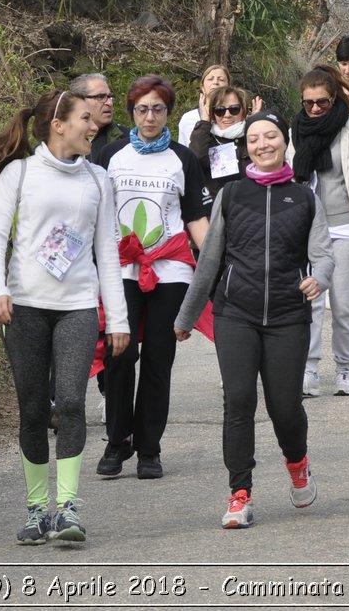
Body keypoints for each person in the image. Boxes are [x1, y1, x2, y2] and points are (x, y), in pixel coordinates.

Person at [0, 90, 131, 546]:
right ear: (59, 123)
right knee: (33, 409)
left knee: (70, 402)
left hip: (77, 308)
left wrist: (118, 319)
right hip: (26, 308)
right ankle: (36, 511)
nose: (95, 127)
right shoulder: (20, 173)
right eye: (86, 119)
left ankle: (67, 508)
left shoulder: (98, 180)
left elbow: (107, 254)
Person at [176, 111, 334, 529]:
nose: (263, 144)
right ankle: (239, 493)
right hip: (236, 312)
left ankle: (296, 461)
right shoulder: (232, 195)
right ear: (245, 148)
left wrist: (318, 279)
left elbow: (322, 253)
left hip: (287, 315)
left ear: (285, 142)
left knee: (285, 407)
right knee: (239, 401)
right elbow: (209, 257)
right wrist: (187, 316)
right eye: (254, 139)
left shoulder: (304, 197)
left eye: (271, 137)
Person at [92, 75, 211, 479]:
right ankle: (117, 439)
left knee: (160, 357)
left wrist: (217, 260)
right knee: (119, 355)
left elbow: (195, 215)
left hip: (170, 268)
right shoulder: (110, 156)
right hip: (121, 267)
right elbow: (93, 213)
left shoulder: (183, 159)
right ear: (131, 112)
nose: (149, 116)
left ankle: (149, 448)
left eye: (157, 108)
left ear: (168, 112)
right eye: (142, 109)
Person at [288, 70, 349, 398]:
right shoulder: (296, 129)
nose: (316, 109)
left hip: (346, 223)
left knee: (345, 302)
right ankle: (309, 368)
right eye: (309, 103)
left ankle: (345, 367)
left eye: (322, 102)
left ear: (334, 98)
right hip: (308, 229)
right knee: (310, 303)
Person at [188, 85, 251, 195]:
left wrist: (255, 124)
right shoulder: (205, 138)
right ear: (212, 113)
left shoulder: (252, 136)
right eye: (219, 110)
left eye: (234, 109)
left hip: (250, 205)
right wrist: (204, 122)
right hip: (217, 206)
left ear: (243, 110)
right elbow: (195, 162)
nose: (227, 115)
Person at [71, 73, 124, 159]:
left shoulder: (128, 139)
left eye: (110, 97)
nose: (109, 103)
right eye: (100, 97)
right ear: (80, 100)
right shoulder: (61, 139)